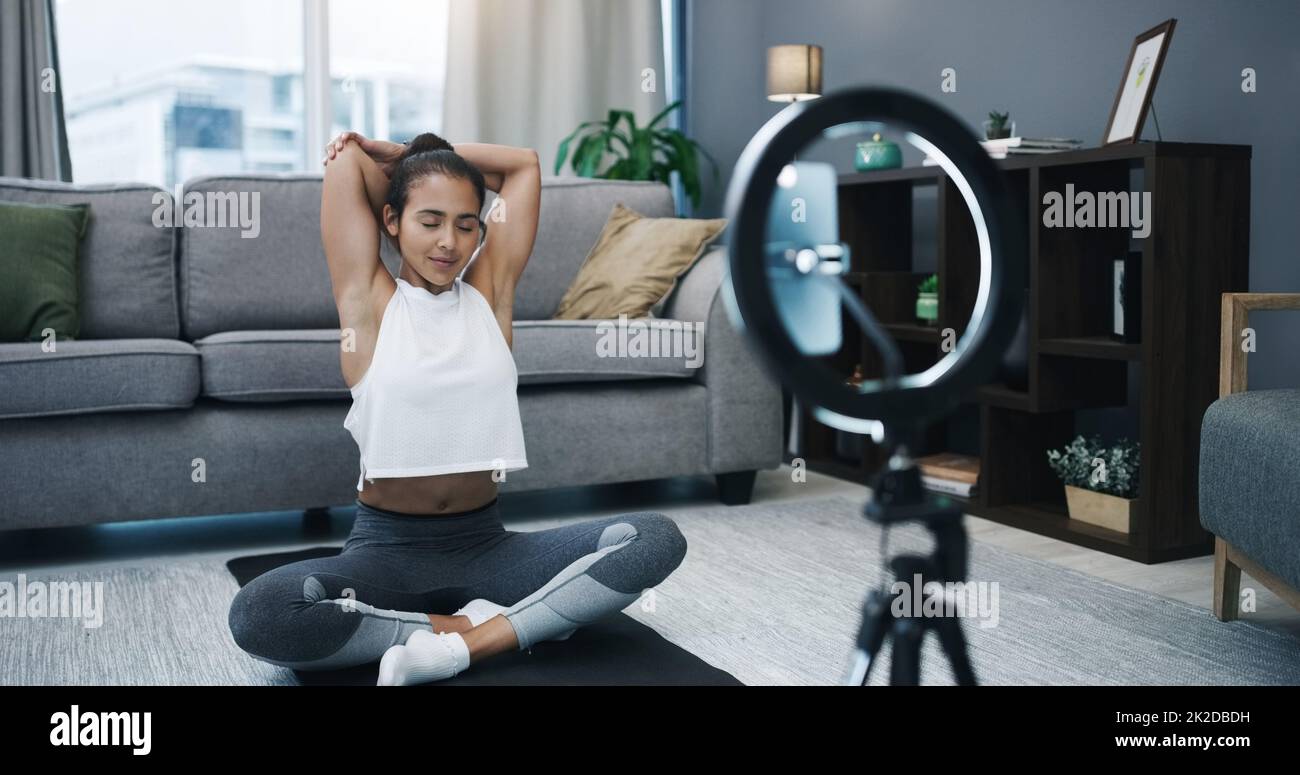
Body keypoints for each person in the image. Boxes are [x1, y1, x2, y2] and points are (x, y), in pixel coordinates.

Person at [227, 131, 688, 685]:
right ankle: (491, 625)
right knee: (263, 614)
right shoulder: (370, 303)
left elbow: (523, 165)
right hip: (385, 553)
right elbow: (347, 163)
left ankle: (461, 646)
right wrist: (401, 159)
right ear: (391, 220)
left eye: (466, 224)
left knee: (655, 539)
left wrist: (408, 156)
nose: (449, 241)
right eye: (430, 221)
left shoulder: (491, 296)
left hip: (488, 548)